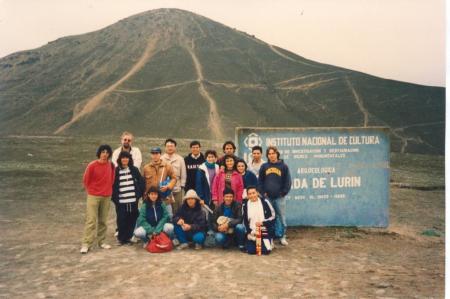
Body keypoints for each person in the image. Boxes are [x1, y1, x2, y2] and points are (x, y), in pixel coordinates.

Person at [80, 145, 115, 254]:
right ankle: (86, 243)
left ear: (109, 154)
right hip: (93, 196)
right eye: (103, 152)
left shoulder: (111, 165)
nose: (105, 154)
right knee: (91, 220)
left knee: (103, 220)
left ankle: (102, 241)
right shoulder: (92, 165)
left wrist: (107, 190)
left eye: (107, 152)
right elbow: (86, 180)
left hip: (106, 196)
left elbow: (112, 179)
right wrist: (92, 191)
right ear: (99, 153)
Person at [258, 146, 292, 246]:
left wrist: (283, 193)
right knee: (269, 218)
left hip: (279, 197)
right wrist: (263, 192)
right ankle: (271, 237)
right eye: (269, 154)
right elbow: (260, 181)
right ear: (267, 155)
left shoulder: (283, 166)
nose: (271, 155)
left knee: (281, 217)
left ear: (277, 154)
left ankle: (282, 237)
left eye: (273, 153)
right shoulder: (264, 166)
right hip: (268, 197)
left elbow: (288, 182)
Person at [111, 151, 145, 245]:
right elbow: (112, 185)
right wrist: (115, 199)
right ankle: (121, 239)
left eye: (126, 158)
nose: (125, 159)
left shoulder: (134, 170)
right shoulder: (116, 171)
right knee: (121, 219)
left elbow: (141, 182)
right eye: (123, 158)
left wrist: (138, 195)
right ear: (120, 159)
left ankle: (129, 237)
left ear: (129, 159)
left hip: (133, 201)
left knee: (132, 219)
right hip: (121, 201)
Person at [142, 147, 177, 216]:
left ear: (160, 154)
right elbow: (143, 183)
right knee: (151, 218)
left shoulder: (167, 166)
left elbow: (174, 178)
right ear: (151, 155)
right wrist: (144, 197)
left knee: (168, 217)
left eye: (157, 153)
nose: (155, 155)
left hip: (164, 199)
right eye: (153, 154)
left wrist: (168, 186)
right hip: (150, 199)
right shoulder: (146, 168)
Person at [242, 186, 275, 255]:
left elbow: (273, 216)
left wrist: (263, 223)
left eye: (253, 193)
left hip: (264, 231)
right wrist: (249, 231)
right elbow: (244, 221)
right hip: (252, 233)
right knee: (251, 251)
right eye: (250, 194)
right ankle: (251, 242)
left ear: (257, 193)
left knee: (266, 252)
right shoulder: (245, 205)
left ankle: (269, 241)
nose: (252, 195)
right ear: (247, 195)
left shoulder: (264, 202)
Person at [161, 138, 186, 214]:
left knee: (177, 209)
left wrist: (182, 186)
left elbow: (183, 173)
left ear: (175, 147)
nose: (170, 148)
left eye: (172, 146)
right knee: (165, 209)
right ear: (165, 147)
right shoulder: (161, 158)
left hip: (177, 188)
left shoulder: (180, 159)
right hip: (164, 188)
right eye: (168, 146)